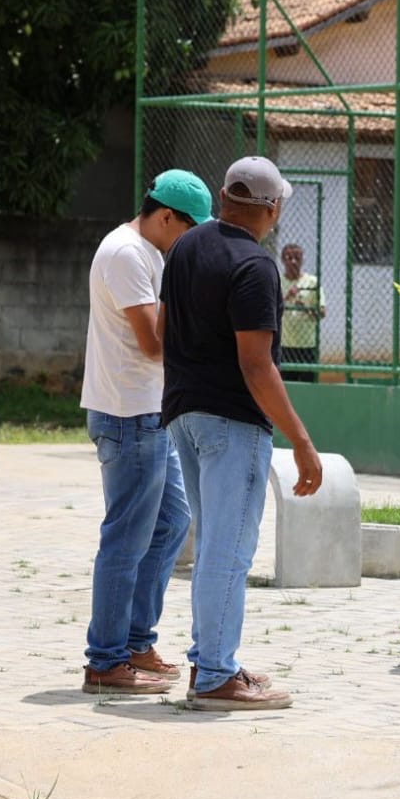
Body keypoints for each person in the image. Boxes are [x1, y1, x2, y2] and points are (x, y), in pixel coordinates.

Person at [161, 156, 323, 711]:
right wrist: (301, 440)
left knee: (213, 547)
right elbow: (258, 365)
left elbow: (164, 330)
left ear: (224, 196)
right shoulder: (255, 266)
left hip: (183, 414)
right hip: (231, 422)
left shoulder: (185, 247)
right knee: (227, 552)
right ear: (271, 209)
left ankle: (211, 662)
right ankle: (214, 676)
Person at [79, 170, 213, 696]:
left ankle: (134, 641)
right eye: (188, 228)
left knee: (170, 524)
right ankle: (106, 660)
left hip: (147, 413)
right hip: (127, 415)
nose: (192, 239)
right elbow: (154, 344)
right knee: (126, 540)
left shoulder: (152, 252)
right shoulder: (128, 254)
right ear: (164, 217)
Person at [278, 243, 324, 383]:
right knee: (286, 386)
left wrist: (305, 307)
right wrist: (287, 298)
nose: (293, 261)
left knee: (308, 385)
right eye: (289, 257)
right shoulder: (277, 281)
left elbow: (321, 312)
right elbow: (271, 310)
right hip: (285, 344)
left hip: (307, 346)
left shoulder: (312, 282)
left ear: (303, 260)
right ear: (282, 260)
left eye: (297, 258)